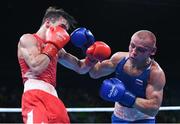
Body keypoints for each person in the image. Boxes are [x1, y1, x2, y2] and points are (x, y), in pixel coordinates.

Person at [17, 6, 111, 123]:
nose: (64, 33)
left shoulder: (58, 50)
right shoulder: (28, 39)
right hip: (35, 95)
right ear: (47, 23)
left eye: (65, 30)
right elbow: (36, 67)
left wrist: (91, 58)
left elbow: (80, 68)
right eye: (62, 27)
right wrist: (53, 46)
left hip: (54, 98)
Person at [89, 30, 166, 123]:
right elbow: (95, 73)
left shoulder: (155, 73)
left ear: (152, 51)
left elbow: (153, 110)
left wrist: (124, 95)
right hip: (118, 118)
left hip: (143, 120)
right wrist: (90, 52)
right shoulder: (119, 59)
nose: (133, 52)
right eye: (132, 45)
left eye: (140, 49)